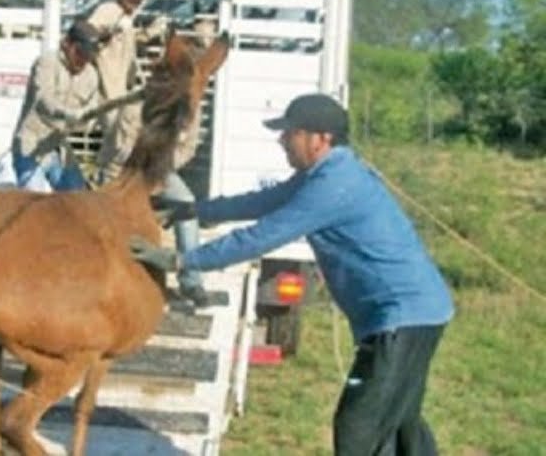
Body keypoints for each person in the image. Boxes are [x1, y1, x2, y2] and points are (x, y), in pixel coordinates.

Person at [131, 93, 454, 455]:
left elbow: (260, 236)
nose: (282, 140)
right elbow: (259, 202)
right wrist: (193, 209)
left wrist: (180, 261)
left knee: (359, 426)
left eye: (291, 132)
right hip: (415, 312)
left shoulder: (334, 185)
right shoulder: (321, 175)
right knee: (399, 422)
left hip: (402, 317)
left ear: (321, 138)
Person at [87, 0, 207, 306]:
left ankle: (190, 277)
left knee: (185, 205)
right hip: (112, 101)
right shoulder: (109, 11)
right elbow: (95, 30)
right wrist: (110, 31)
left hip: (144, 150)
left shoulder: (126, 17)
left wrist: (141, 33)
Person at [11, 20, 104, 191]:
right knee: (35, 208)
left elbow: (92, 110)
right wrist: (69, 114)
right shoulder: (46, 62)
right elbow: (44, 101)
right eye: (80, 53)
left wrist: (88, 120)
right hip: (29, 149)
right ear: (67, 44)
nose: (82, 60)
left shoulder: (91, 75)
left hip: (58, 150)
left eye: (88, 56)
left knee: (79, 204)